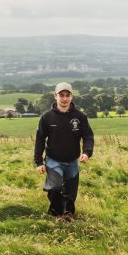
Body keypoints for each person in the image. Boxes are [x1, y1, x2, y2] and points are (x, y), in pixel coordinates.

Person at [34, 82, 94, 217]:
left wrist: (86, 152)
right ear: (56, 96)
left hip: (73, 161)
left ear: (72, 97)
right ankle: (58, 210)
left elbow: (88, 136)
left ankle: (66, 215)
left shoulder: (80, 117)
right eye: (61, 95)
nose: (64, 98)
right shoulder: (47, 117)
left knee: (70, 195)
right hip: (53, 160)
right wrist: (38, 162)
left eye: (67, 95)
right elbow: (40, 140)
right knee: (54, 188)